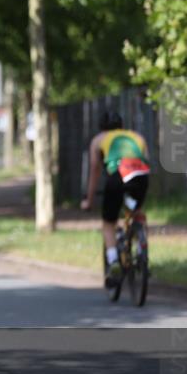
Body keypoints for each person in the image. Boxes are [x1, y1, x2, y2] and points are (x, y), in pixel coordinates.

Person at [79, 111, 150, 288]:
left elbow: (95, 172)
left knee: (108, 222)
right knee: (136, 211)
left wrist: (89, 200)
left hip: (118, 176)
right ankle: (142, 250)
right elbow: (146, 161)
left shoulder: (99, 139)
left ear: (101, 126)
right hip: (140, 176)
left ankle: (113, 262)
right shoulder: (137, 136)